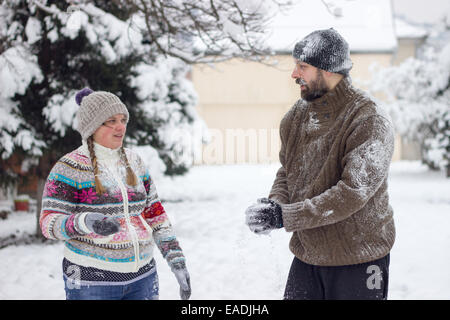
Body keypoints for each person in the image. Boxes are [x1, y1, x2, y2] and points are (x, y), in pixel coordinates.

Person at [245, 28, 396, 300]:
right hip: (308, 257)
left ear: (329, 69)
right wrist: (275, 205)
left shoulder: (368, 119)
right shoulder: (296, 117)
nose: (294, 74)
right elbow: (287, 170)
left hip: (359, 259)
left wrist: (286, 216)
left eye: (302, 66)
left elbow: (352, 193)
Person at [40, 88, 191, 300]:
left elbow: (156, 215)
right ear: (92, 127)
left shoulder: (135, 162)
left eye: (122, 119)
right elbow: (48, 223)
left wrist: (176, 259)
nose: (120, 126)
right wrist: (85, 221)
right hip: (90, 281)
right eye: (111, 120)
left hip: (143, 278)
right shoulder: (68, 167)